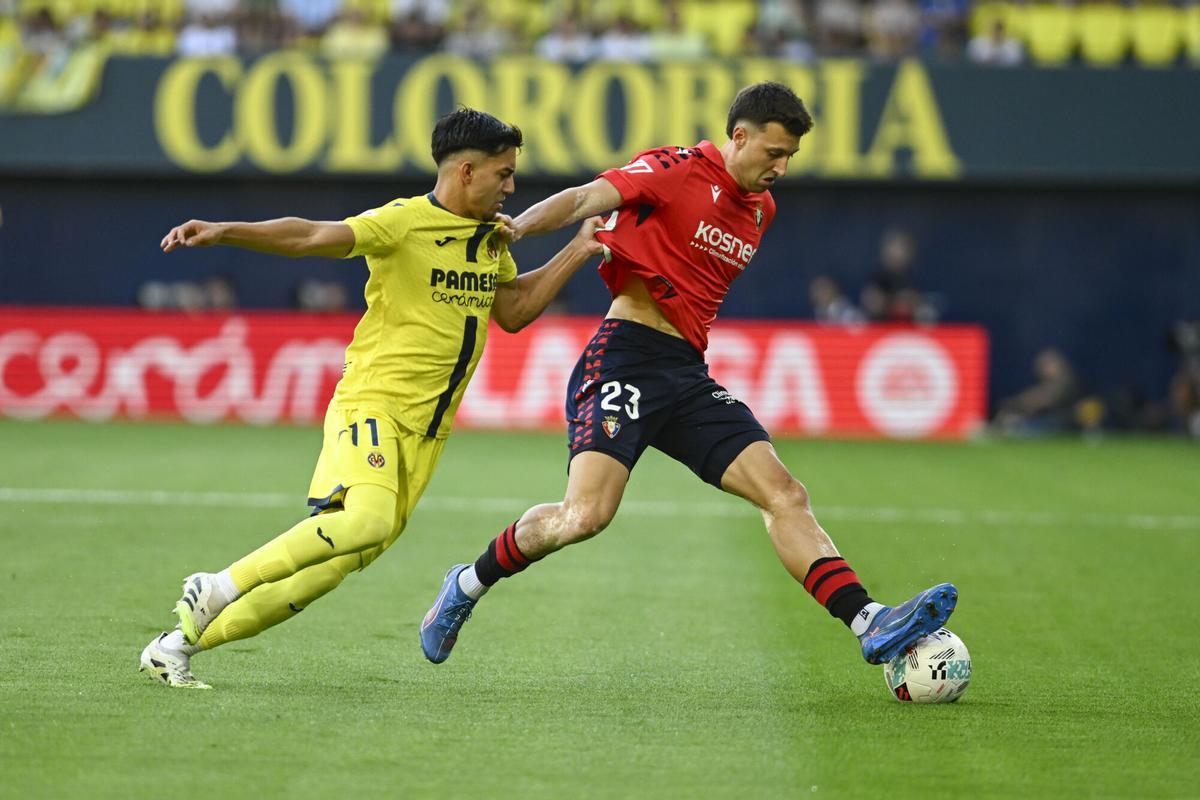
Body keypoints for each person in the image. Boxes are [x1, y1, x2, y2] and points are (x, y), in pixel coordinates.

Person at [419, 82, 958, 670]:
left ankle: (868, 621)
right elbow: (582, 200)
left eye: (789, 158)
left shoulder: (761, 210)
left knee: (784, 493)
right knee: (585, 517)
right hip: (623, 357)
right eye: (772, 153)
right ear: (739, 137)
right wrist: (516, 228)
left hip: (686, 375)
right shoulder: (674, 169)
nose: (780, 167)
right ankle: (467, 583)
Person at [139, 108, 605, 688]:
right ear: (466, 171)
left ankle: (176, 646)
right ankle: (216, 586)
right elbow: (311, 235)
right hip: (374, 406)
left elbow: (511, 311)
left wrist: (578, 251)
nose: (511, 187)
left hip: (428, 434)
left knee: (329, 570)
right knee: (363, 521)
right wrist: (226, 229)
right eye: (503, 174)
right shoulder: (403, 222)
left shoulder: (489, 239)